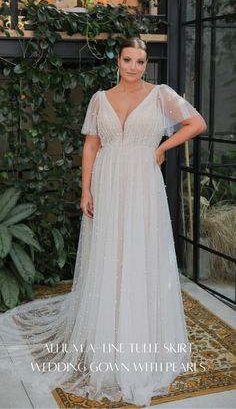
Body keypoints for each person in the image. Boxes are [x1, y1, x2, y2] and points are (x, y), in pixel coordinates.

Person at [0, 37, 207, 408]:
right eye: (128, 59)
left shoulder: (160, 94)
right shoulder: (99, 99)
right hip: (108, 183)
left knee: (142, 254)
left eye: (141, 60)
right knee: (110, 254)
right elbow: (91, 147)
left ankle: (141, 339)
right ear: (118, 60)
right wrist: (85, 191)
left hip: (144, 184)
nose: (134, 66)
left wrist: (160, 148)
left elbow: (197, 122)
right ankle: (106, 337)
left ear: (146, 63)